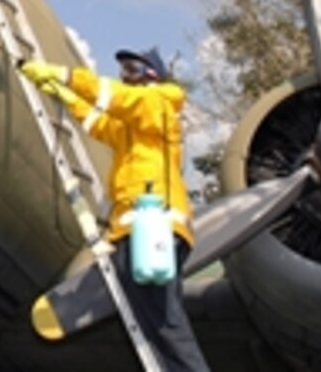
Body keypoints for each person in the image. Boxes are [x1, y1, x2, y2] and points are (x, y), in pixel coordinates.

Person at [19, 47, 211, 372]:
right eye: (122, 69)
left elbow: (118, 99)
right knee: (154, 322)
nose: (124, 76)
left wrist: (66, 75)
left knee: (165, 323)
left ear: (152, 76)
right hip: (134, 231)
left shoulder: (160, 102)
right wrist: (66, 96)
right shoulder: (135, 130)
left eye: (133, 69)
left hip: (155, 227)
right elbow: (99, 123)